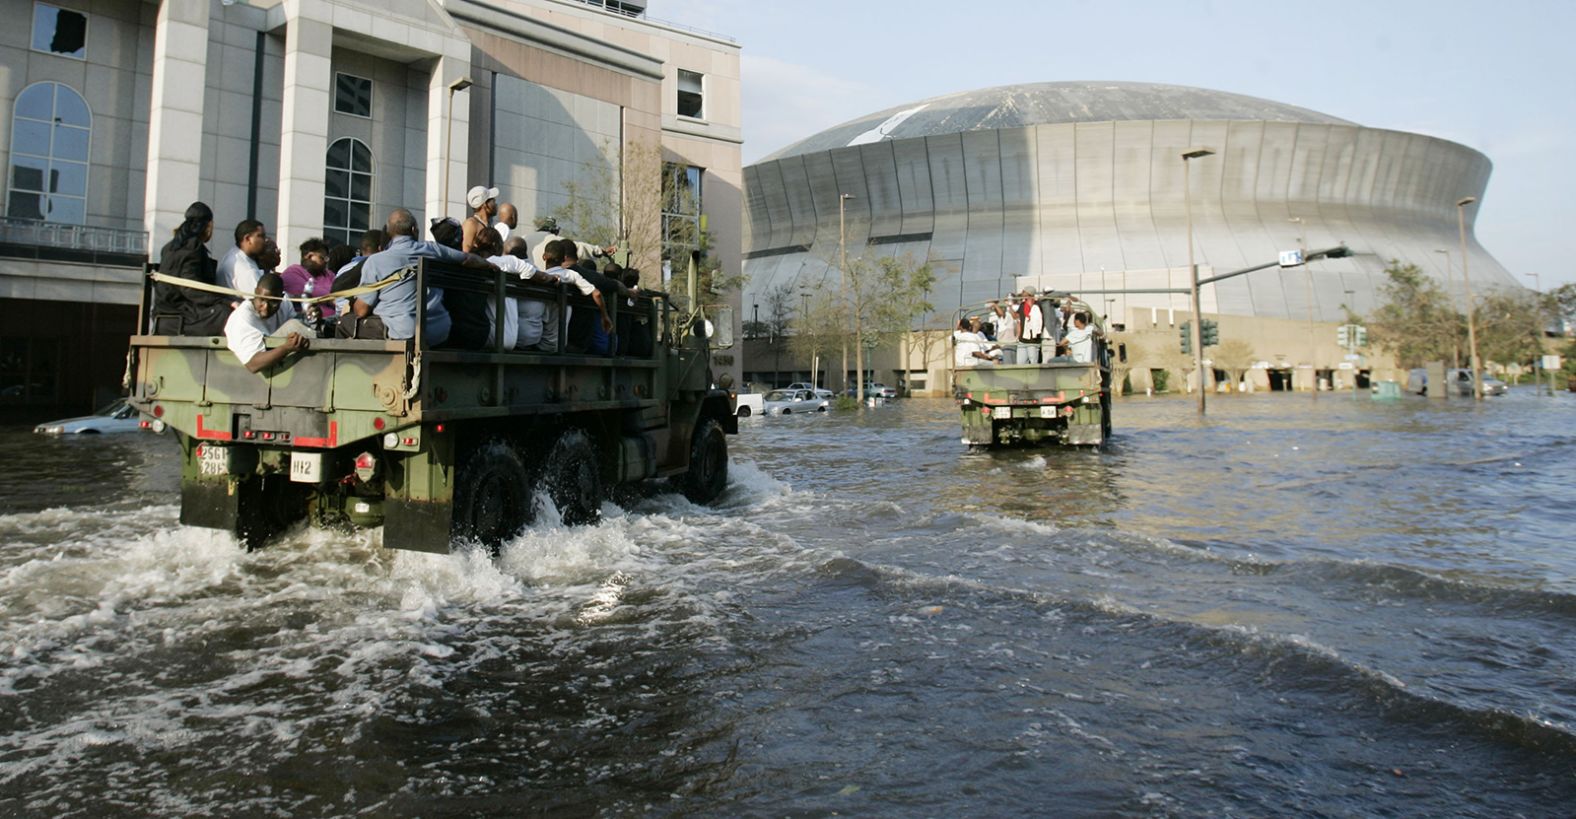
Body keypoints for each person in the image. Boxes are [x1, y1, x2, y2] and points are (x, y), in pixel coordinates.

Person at [352, 208, 496, 345]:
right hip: (438, 332)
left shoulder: (376, 261)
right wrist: (489, 265)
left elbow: (362, 310)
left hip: (403, 332)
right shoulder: (434, 250)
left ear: (389, 232)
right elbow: (467, 259)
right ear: (414, 230)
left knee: (345, 323)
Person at [154, 201, 232, 336]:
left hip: (165, 315)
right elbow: (190, 287)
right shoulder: (193, 247)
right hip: (180, 316)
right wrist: (223, 302)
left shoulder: (169, 247)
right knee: (226, 313)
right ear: (209, 225)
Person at [225, 272, 314, 373]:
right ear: (255, 292)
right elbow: (253, 364)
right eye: (262, 300)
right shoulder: (242, 318)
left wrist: (311, 316)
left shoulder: (284, 304)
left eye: (273, 302)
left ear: (281, 297)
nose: (266, 307)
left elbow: (299, 327)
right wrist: (286, 348)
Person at [541, 238, 612, 353]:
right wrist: (604, 316)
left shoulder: (540, 276)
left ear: (544, 257)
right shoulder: (571, 275)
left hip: (540, 343)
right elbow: (597, 293)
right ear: (564, 258)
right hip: (561, 344)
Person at [280, 237, 336, 319]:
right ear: (309, 256)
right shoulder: (293, 271)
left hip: (333, 320)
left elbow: (340, 292)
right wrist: (330, 299)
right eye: (322, 258)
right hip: (306, 321)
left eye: (327, 259)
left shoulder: (328, 274)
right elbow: (307, 291)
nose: (325, 262)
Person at [216, 219, 267, 296]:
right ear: (247, 239)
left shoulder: (234, 253)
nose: (265, 240)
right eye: (261, 236)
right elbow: (263, 302)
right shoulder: (246, 270)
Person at [462, 185, 498, 252]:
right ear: (484, 204)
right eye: (493, 201)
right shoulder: (471, 224)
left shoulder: (490, 224)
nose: (496, 204)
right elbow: (465, 253)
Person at [1017, 288, 1045, 364]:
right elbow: (1018, 318)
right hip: (1022, 339)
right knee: (1020, 362)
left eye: (1024, 291)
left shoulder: (1037, 305)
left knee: (1033, 361)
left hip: (1033, 340)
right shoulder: (1022, 304)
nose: (1022, 293)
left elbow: (1038, 321)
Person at [990, 299, 1018, 364]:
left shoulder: (1006, 317)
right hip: (1008, 345)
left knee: (1009, 365)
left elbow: (1001, 314)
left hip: (1007, 346)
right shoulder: (1006, 318)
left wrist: (995, 305)